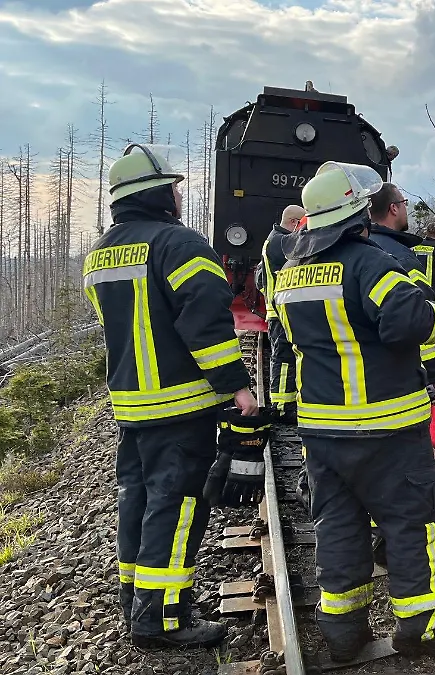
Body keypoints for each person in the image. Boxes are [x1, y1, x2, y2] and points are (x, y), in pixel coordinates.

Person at [275, 161, 435, 661]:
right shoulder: (371, 263)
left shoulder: (290, 273)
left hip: (322, 430)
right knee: (412, 524)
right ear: (358, 212)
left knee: (337, 526)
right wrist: (433, 311)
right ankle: (419, 631)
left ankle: (342, 634)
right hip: (387, 427)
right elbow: (408, 323)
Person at [83, 143, 259, 648]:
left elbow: (113, 326)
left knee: (136, 500)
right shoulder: (178, 245)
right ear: (161, 193)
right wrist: (236, 387)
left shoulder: (101, 254)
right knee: (178, 506)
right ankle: (161, 620)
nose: (179, 196)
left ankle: (136, 598)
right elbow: (206, 324)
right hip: (181, 406)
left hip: (132, 405)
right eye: (175, 188)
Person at [367, 183, 435, 409]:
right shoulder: (402, 258)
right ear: (394, 208)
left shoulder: (358, 250)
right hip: (395, 382)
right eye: (404, 204)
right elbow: (419, 323)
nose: (406, 209)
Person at [257, 204, 305, 423]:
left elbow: (259, 279)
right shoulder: (281, 243)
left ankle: (282, 403)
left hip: (276, 310)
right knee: (284, 358)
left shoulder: (272, 240)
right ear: (295, 223)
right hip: (280, 312)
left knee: (283, 356)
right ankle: (283, 407)